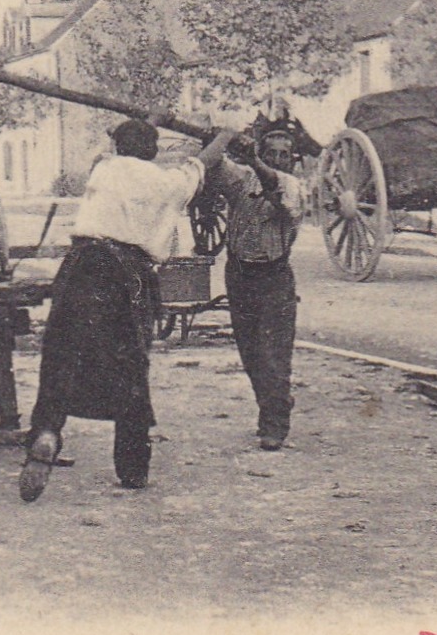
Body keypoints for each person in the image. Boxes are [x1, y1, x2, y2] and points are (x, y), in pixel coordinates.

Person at [21, 118, 235, 502]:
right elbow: (199, 166)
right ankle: (132, 468)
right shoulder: (163, 181)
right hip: (126, 272)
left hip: (80, 264)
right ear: (152, 150)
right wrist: (225, 136)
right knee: (131, 365)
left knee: (61, 355)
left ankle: (46, 432)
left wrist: (145, 120)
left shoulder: (103, 167)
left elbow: (123, 143)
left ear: (119, 145)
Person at [199, 124, 308, 452]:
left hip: (274, 276)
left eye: (283, 155)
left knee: (275, 354)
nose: (277, 160)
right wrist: (217, 137)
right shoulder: (241, 179)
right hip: (239, 274)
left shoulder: (295, 187)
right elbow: (213, 166)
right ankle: (272, 407)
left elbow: (275, 191)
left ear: (293, 161)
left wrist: (256, 162)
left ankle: (275, 423)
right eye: (270, 153)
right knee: (251, 353)